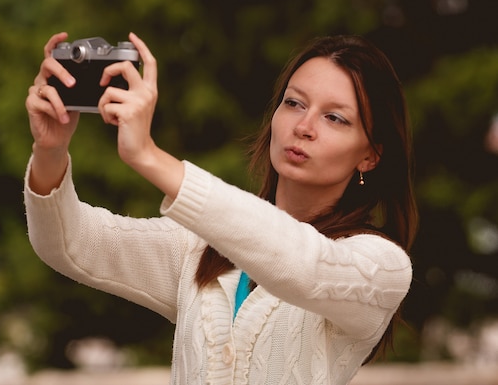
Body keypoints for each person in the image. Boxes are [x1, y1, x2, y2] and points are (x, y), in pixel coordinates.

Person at [23, 31, 418, 385]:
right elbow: (70, 243)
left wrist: (147, 155)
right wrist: (50, 148)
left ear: (370, 155)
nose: (304, 126)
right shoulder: (198, 249)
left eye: (334, 117)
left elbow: (299, 264)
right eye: (294, 103)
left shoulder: (380, 268)